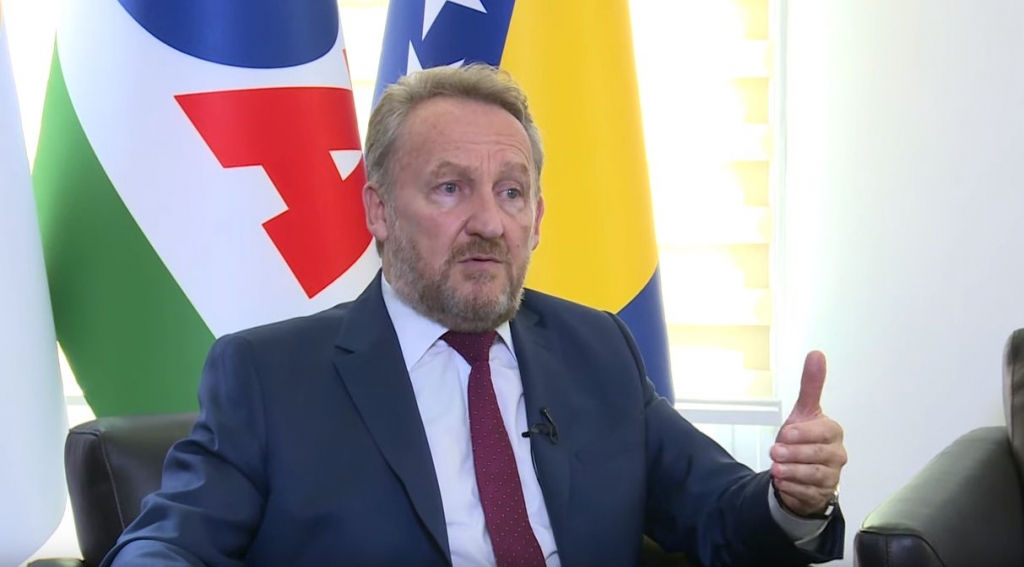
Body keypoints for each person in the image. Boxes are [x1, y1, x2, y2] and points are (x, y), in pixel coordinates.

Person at [102, 64, 847, 567]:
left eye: (511, 192)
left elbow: (720, 515)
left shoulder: (598, 348)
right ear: (379, 211)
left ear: (537, 218)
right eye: (450, 188)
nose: (489, 221)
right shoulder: (270, 377)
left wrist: (792, 497)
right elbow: (167, 544)